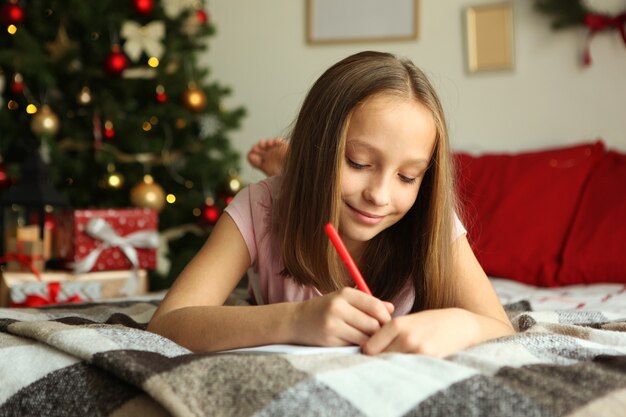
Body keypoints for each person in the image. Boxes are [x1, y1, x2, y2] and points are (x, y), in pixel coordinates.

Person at [148, 51, 514, 356]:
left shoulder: (430, 218)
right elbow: (168, 323)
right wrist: (296, 320)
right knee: (292, 194)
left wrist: (460, 324)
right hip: (290, 196)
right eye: (358, 162)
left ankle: (296, 170)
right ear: (317, 147)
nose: (380, 195)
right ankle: (294, 174)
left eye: (407, 177)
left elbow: (498, 326)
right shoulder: (260, 208)